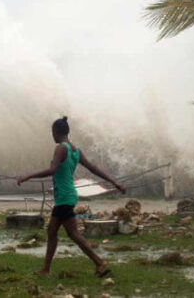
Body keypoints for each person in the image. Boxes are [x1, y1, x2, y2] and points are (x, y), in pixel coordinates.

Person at [17, 116, 125, 278]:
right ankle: (49, 268)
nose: (52, 136)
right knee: (57, 231)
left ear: (56, 132)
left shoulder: (61, 148)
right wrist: (114, 182)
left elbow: (52, 170)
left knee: (67, 233)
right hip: (68, 195)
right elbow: (93, 168)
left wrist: (28, 176)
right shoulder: (76, 151)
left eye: (52, 133)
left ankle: (97, 262)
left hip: (64, 196)